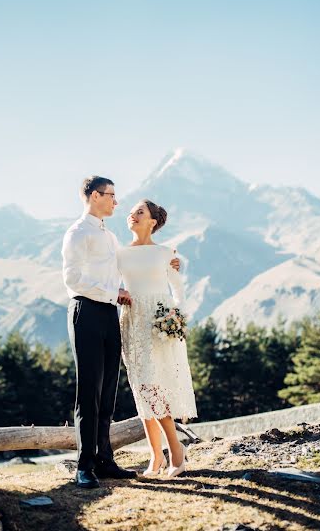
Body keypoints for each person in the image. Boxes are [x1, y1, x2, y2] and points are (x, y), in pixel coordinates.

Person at [62, 177, 179, 489]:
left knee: (108, 393)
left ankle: (105, 460)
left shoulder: (111, 236)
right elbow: (72, 278)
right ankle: (84, 467)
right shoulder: (77, 233)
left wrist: (172, 262)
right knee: (89, 392)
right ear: (94, 196)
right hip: (85, 310)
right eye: (111, 195)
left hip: (110, 314)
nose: (116, 202)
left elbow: (137, 260)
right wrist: (113, 292)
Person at [118, 199, 197, 478]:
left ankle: (176, 451)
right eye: (131, 212)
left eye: (140, 211)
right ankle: (156, 458)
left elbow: (178, 289)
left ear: (153, 221)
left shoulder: (166, 252)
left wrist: (176, 317)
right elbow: (110, 282)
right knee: (142, 389)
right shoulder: (119, 253)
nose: (133, 215)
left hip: (160, 322)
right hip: (133, 321)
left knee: (156, 387)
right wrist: (118, 292)